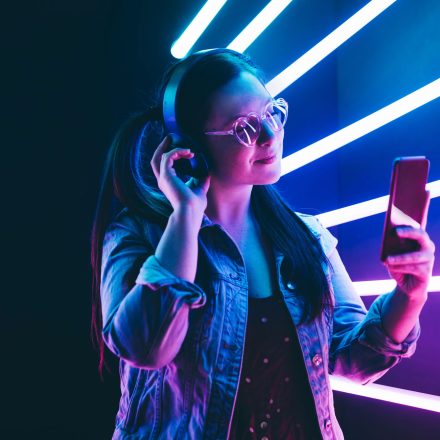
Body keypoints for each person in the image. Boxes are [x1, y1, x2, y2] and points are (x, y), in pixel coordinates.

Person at [90, 49, 435, 440]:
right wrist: (185, 216)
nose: (271, 136)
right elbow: (145, 348)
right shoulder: (140, 235)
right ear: (190, 147)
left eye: (272, 113)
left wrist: (409, 296)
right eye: (245, 127)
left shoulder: (307, 236)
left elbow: (352, 358)